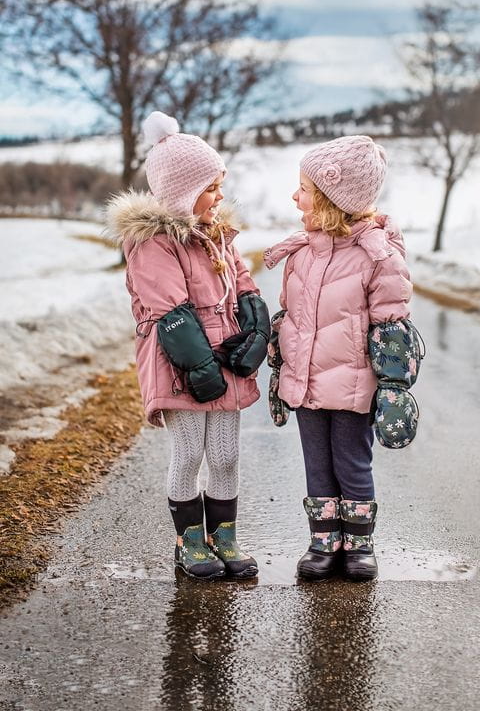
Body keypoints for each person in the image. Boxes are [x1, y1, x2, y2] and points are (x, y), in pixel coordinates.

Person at [106, 111, 269, 581]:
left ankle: (224, 537)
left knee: (225, 455)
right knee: (190, 454)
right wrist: (201, 364)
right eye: (212, 187)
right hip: (183, 362)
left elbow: (242, 283)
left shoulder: (218, 236)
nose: (220, 197)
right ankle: (190, 542)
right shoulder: (154, 243)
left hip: (225, 362)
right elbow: (169, 311)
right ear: (182, 190)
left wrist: (255, 328)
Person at [264, 135, 419, 581]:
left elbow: (392, 327)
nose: (296, 197)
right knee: (317, 464)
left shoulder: (378, 255)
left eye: (305, 189)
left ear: (333, 198)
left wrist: (391, 386)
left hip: (354, 385)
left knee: (351, 463)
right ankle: (324, 542)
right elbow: (291, 316)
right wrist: (280, 359)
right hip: (306, 382)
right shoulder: (301, 254)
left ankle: (358, 545)